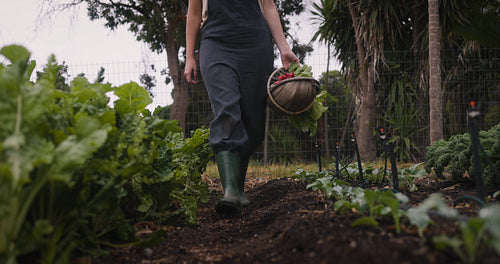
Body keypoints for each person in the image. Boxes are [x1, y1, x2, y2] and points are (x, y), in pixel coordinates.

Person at [184, 0, 298, 215]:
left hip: (255, 45)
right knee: (227, 109)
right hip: (216, 43)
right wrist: (190, 56)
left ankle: (238, 187)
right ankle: (229, 191)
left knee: (252, 120)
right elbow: (194, 13)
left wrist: (284, 48)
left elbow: (268, 6)